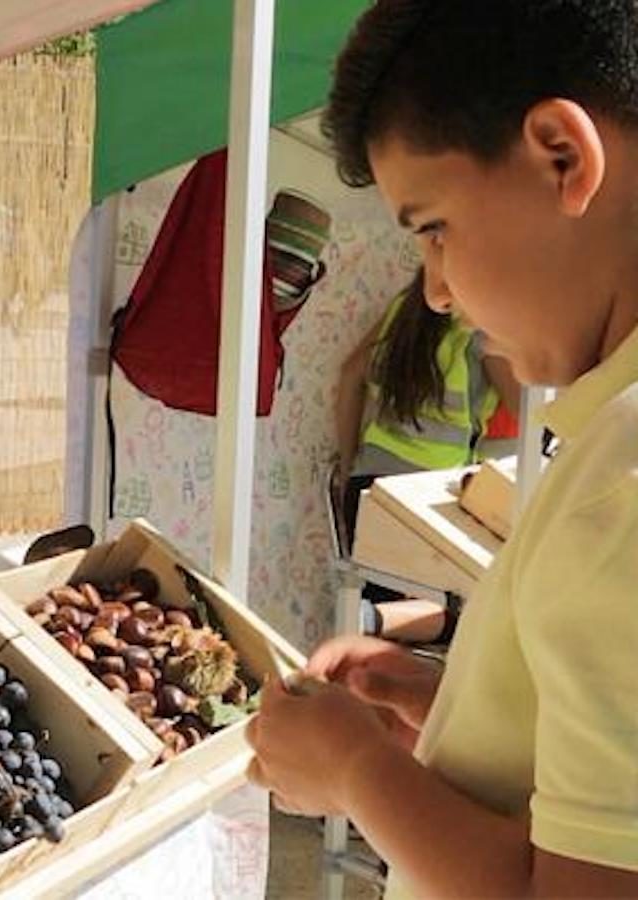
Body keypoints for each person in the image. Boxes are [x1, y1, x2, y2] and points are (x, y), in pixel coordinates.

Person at [248, 3, 638, 897]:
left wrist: (356, 774)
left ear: (562, 158)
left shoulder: (621, 482)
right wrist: (449, 711)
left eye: (433, 228)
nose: (435, 290)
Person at [336, 266, 519, 643]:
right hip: (426, 496)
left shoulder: (405, 309)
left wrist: (347, 461)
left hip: (367, 483)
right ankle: (369, 623)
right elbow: (527, 409)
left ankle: (364, 626)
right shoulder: (480, 327)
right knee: (455, 611)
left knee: (374, 633)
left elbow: (349, 376)